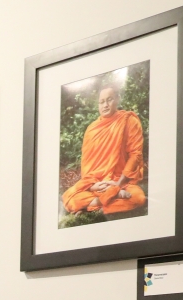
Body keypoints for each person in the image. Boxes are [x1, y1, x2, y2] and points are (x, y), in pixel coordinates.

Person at [60, 84, 147, 217]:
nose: (105, 105)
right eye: (101, 102)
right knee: (69, 198)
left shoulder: (128, 121)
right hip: (97, 185)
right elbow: (87, 168)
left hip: (120, 182)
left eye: (109, 99)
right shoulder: (91, 129)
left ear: (118, 99)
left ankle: (92, 206)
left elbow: (135, 155)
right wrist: (94, 186)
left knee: (138, 198)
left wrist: (118, 184)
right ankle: (103, 202)